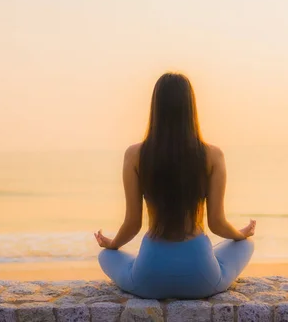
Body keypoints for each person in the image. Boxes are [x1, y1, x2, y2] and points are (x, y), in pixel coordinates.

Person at [94, 72, 255, 299]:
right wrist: (240, 234)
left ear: (155, 107)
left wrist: (112, 244)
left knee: (105, 257)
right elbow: (217, 224)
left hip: (150, 275)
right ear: (191, 108)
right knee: (245, 246)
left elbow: (132, 224)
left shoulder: (135, 155)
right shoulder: (212, 155)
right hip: (201, 277)